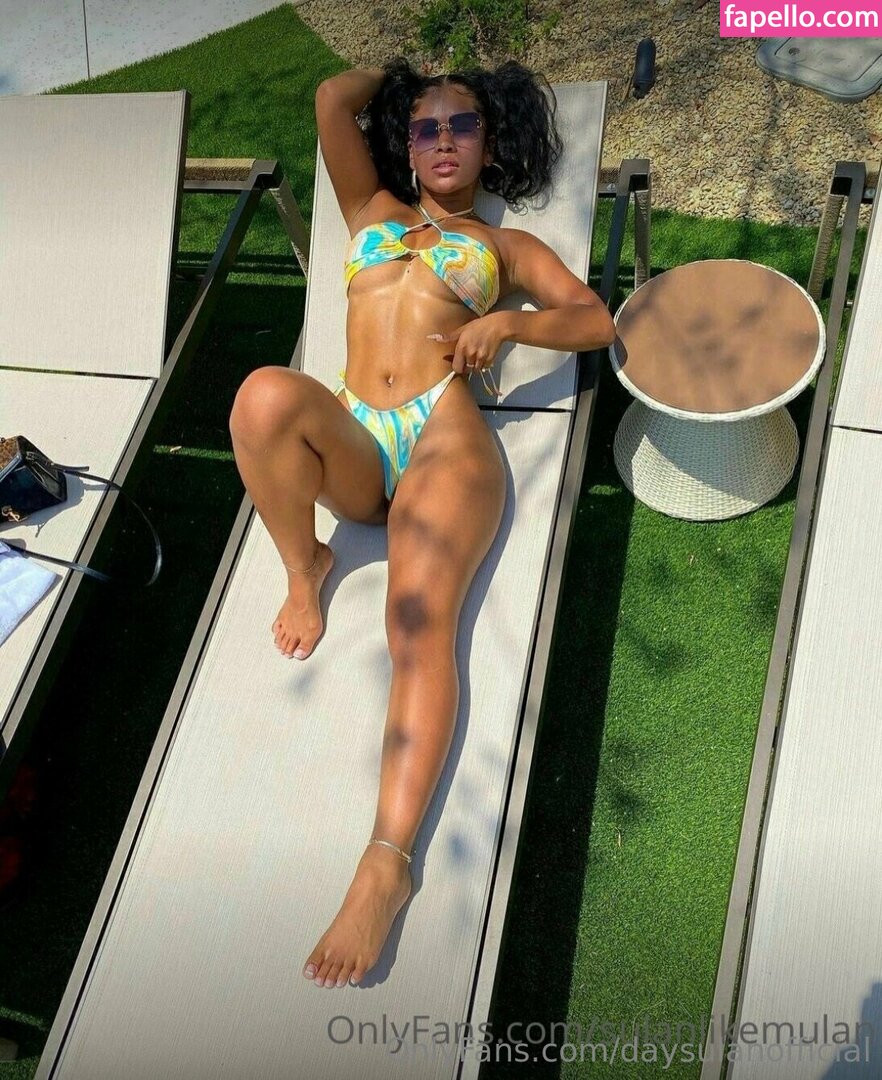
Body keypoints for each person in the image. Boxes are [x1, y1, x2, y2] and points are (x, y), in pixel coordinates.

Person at [228, 56, 616, 991]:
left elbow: (595, 321)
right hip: (356, 438)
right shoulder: (369, 207)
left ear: (490, 142)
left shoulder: (505, 246)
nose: (444, 140)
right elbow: (332, 98)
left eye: (464, 124)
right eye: (426, 126)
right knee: (263, 395)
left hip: (445, 438)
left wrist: (509, 327)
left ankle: (386, 863)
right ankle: (306, 566)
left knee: (417, 627)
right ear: (404, 141)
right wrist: (409, 75)